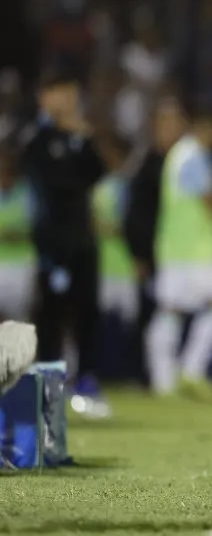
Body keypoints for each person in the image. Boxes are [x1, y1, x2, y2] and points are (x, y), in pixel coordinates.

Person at [145, 104, 212, 399]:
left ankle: (166, 379)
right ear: (206, 128)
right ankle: (188, 372)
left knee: (173, 310)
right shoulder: (193, 155)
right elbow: (210, 202)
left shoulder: (179, 155)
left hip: (178, 247)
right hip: (193, 249)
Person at [20, 67, 108, 417]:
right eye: (61, 93)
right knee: (52, 317)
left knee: (87, 314)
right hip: (52, 243)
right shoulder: (36, 139)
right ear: (45, 97)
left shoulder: (78, 137)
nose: (68, 101)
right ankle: (48, 392)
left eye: (72, 93)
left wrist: (84, 140)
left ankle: (86, 383)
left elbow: (98, 173)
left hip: (83, 240)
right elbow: (59, 184)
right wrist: (73, 143)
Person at [124, 96, 187, 386]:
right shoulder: (147, 164)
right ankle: (147, 377)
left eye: (175, 122)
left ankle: (168, 374)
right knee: (152, 314)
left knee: (175, 313)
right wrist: (138, 256)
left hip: (178, 253)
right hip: (152, 253)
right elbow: (134, 214)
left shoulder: (185, 163)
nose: (171, 129)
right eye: (165, 122)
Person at [92, 137, 138, 331]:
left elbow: (133, 226)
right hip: (103, 268)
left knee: (131, 328)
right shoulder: (97, 188)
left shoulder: (131, 188)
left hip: (129, 269)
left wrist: (115, 229)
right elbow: (91, 224)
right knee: (101, 328)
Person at [0, 146, 36, 323]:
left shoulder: (27, 194)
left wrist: (12, 235)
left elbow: (36, 228)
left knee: (19, 324)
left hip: (21, 265)